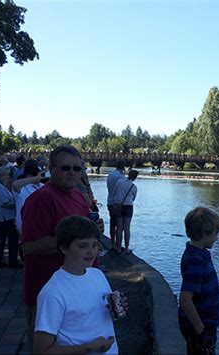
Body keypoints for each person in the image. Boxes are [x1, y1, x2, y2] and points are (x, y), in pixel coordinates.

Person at [21, 145, 104, 351]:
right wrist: (72, 239)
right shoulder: (41, 199)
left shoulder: (76, 196)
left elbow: (83, 233)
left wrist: (93, 231)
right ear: (52, 169)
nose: (72, 173)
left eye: (78, 168)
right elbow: (29, 247)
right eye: (66, 168)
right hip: (49, 290)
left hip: (80, 290)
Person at [34, 215, 118, 354]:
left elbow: (96, 315)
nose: (91, 251)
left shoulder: (97, 275)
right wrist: (89, 348)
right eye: (83, 246)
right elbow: (41, 351)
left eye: (94, 244)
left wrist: (115, 309)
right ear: (64, 248)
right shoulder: (53, 293)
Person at [178, 207, 219, 355]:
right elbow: (185, 299)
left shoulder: (196, 254)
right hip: (200, 323)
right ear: (205, 234)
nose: (216, 237)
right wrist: (200, 329)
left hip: (202, 322)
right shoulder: (196, 261)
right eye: (216, 233)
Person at [0, 166, 21, 268]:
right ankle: (13, 261)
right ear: (0, 176)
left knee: (1, 239)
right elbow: (4, 203)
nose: (8, 177)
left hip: (2, 217)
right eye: (6, 175)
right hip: (4, 217)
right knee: (13, 239)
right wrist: (17, 203)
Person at [112, 169, 138, 254]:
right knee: (127, 228)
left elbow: (115, 192)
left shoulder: (119, 182)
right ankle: (126, 248)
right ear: (135, 177)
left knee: (119, 227)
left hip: (118, 205)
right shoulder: (134, 187)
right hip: (128, 206)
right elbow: (133, 198)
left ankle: (118, 248)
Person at [106, 160, 126, 249]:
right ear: (123, 167)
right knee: (119, 225)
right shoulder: (121, 177)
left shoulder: (110, 175)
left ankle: (111, 243)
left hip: (110, 201)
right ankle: (118, 245)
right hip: (118, 203)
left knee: (112, 223)